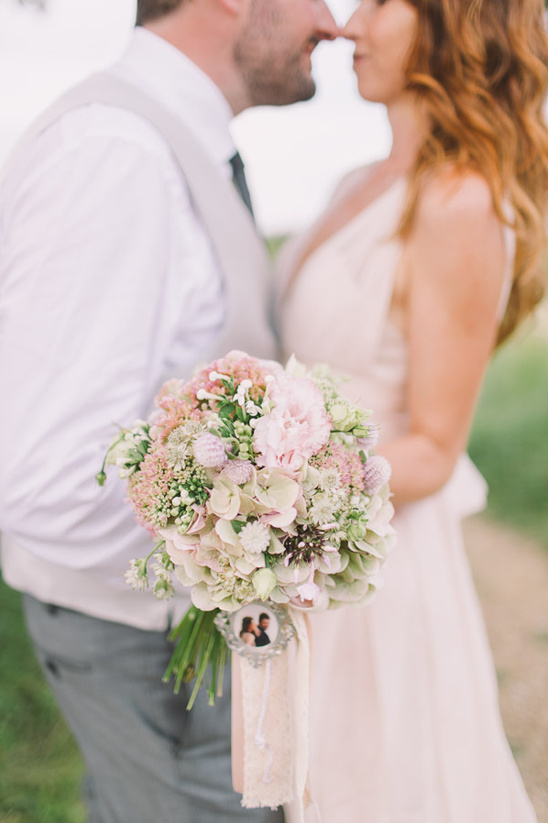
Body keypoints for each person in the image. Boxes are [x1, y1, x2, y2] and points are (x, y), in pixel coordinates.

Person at [0, 0, 338, 820]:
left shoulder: (168, 146)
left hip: (167, 635)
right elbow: (42, 478)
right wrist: (244, 552)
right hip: (146, 644)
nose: (332, 21)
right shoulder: (113, 152)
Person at [279, 0, 548, 820]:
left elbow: (433, 445)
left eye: (380, 3)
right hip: (304, 559)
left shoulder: (459, 202)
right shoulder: (355, 183)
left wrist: (273, 498)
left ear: (453, 22)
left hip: (373, 575)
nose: (348, 27)